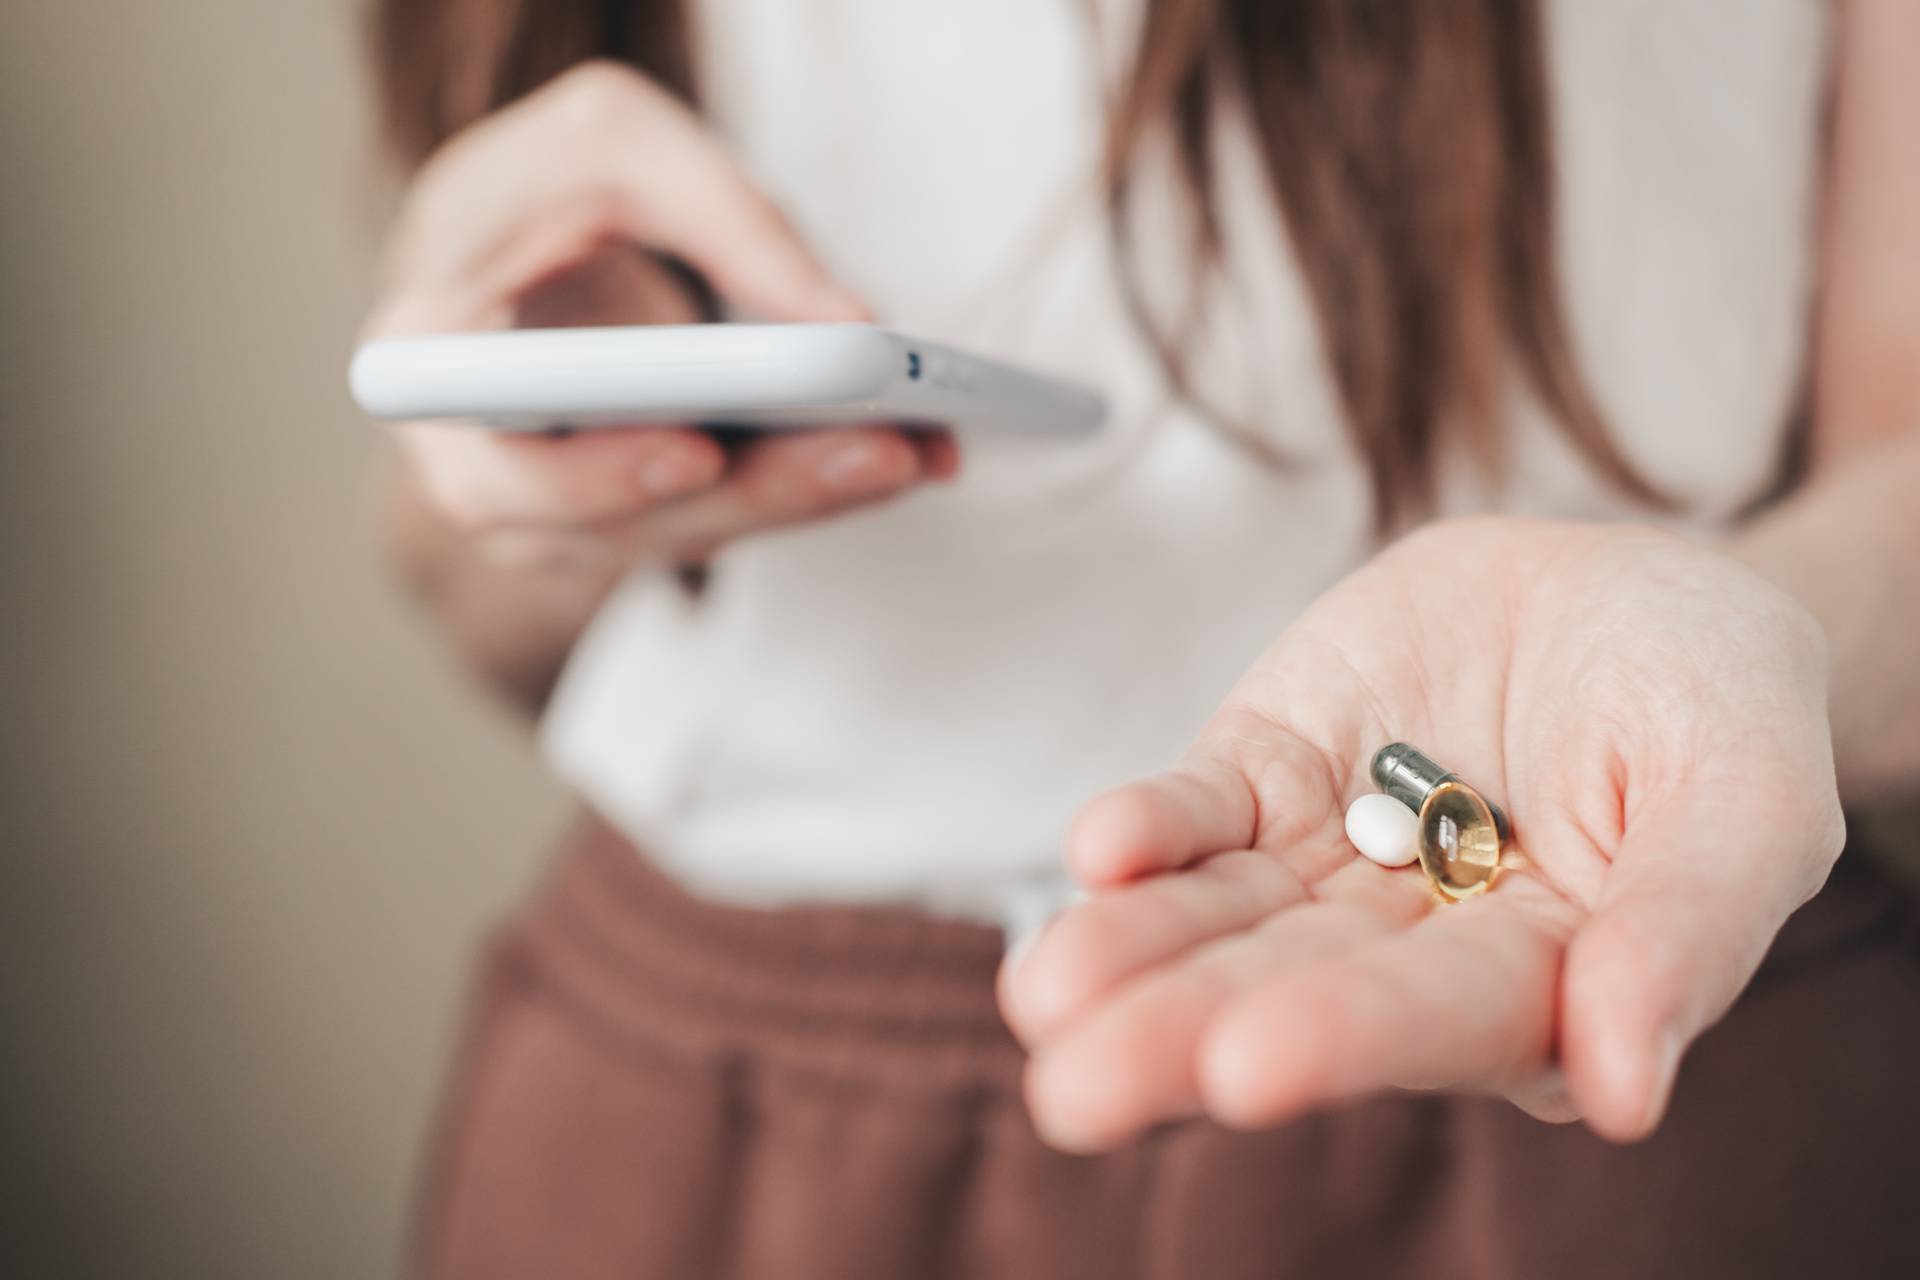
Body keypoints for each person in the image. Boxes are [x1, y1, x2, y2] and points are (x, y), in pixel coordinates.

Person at [363, 0, 1920, 1275]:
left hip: (1629, 1069)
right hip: (701, 1108)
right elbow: (478, 599)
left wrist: (1743, 646)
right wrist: (537, 456)